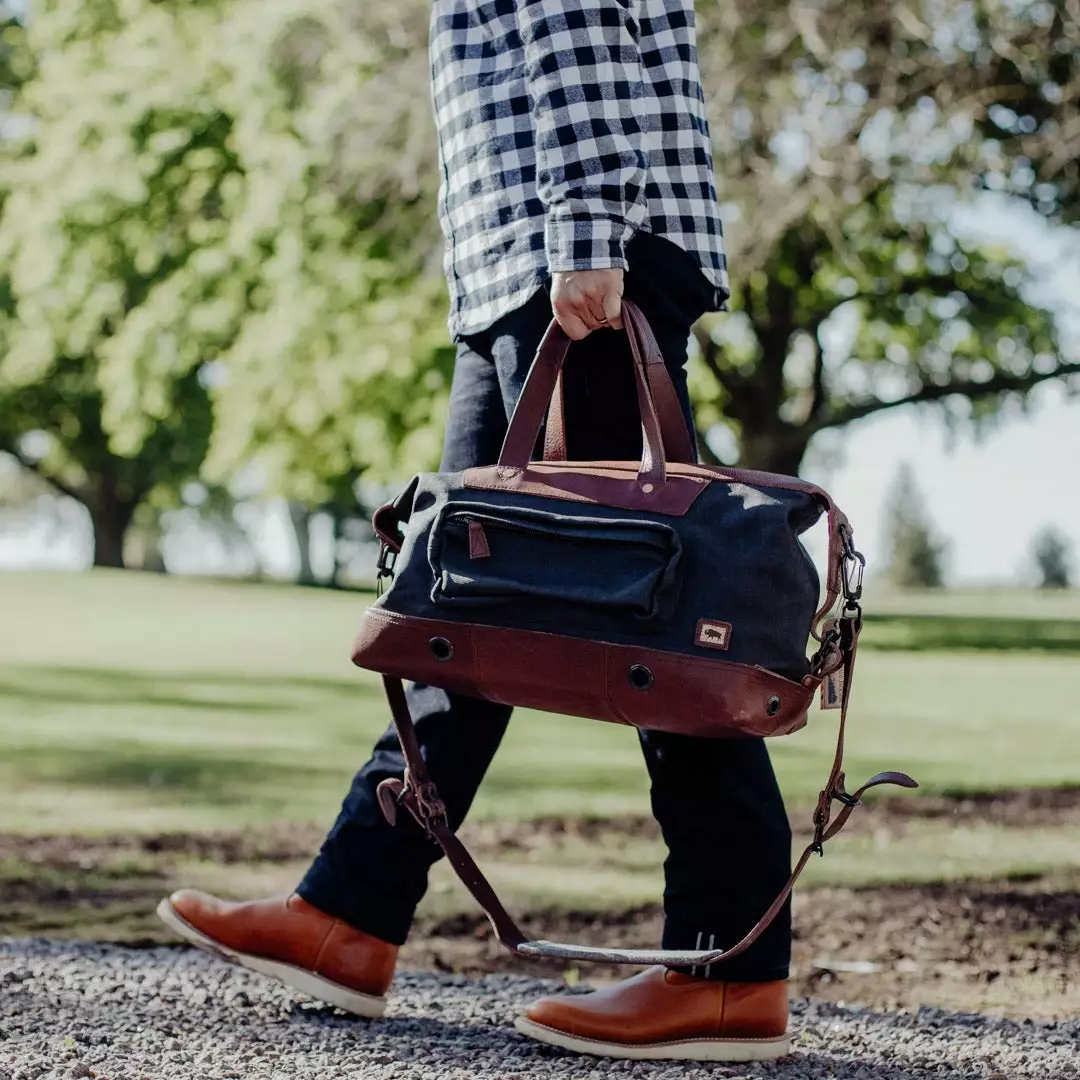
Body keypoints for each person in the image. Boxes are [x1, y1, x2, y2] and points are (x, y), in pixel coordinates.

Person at [158, 0, 793, 1062]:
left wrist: (588, 236)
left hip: (579, 266)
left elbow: (580, 19)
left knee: (657, 630)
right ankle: (348, 914)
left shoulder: (587, 251)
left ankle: (728, 972)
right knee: (455, 614)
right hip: (517, 272)